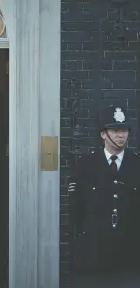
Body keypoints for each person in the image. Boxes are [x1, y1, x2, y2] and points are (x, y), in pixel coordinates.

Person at [65, 104, 140, 287]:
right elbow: (76, 210)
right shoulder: (86, 165)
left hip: (128, 255)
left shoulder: (136, 164)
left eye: (124, 130)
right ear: (103, 134)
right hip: (93, 255)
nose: (121, 136)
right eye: (115, 131)